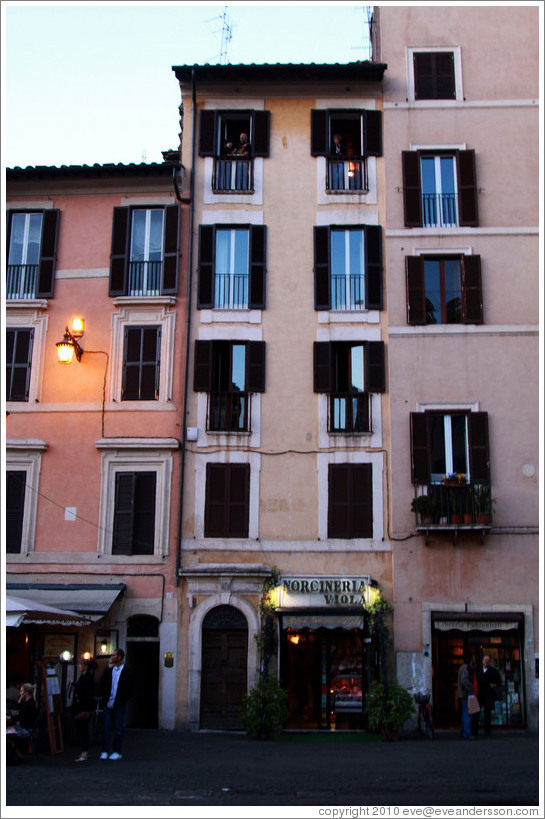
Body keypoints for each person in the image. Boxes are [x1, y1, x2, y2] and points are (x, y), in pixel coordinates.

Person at [99, 648, 133, 760]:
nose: (111, 657)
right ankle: (105, 750)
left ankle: (117, 751)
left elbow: (129, 688)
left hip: (119, 703)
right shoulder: (109, 669)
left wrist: (123, 701)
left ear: (119, 657)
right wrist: (107, 671)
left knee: (118, 728)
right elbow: (102, 683)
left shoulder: (127, 671)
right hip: (108, 702)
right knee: (106, 727)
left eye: (113, 655)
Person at [72, 658, 97, 762]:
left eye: (81, 665)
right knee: (82, 729)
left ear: (85, 666)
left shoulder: (87, 678)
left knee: (84, 729)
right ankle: (84, 751)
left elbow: (86, 693)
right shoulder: (84, 677)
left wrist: (77, 690)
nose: (79, 667)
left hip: (84, 707)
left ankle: (85, 752)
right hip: (82, 706)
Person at [475, 654, 502, 736]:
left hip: (488, 694)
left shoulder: (493, 671)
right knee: (477, 713)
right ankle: (475, 729)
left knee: (487, 713)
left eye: (488, 660)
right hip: (479, 694)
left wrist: (494, 685)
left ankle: (487, 730)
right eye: (485, 660)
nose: (486, 662)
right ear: (482, 661)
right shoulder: (478, 671)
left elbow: (498, 682)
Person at [457, 653, 476, 739]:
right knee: (468, 713)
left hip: (464, 694)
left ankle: (464, 732)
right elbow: (464, 679)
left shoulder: (463, 667)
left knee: (465, 713)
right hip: (466, 694)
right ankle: (467, 733)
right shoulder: (466, 668)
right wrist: (471, 688)